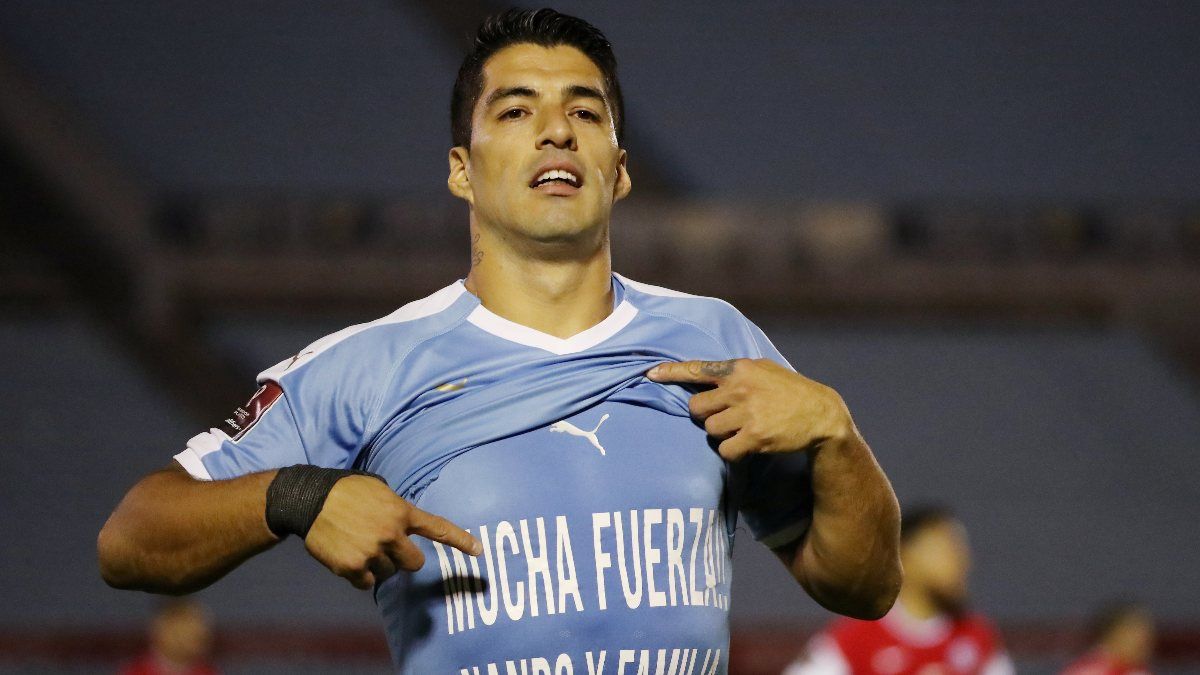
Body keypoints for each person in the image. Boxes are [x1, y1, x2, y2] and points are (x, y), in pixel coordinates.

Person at [98, 9, 901, 673]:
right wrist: (296, 497)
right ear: (462, 169)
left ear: (619, 168)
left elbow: (864, 586)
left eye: (585, 111)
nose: (557, 131)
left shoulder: (714, 339)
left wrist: (837, 433)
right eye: (516, 111)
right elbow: (130, 537)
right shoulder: (371, 365)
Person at [783, 506, 1013, 675]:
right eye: (946, 550)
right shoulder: (855, 638)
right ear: (905, 557)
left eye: (961, 551)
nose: (961, 562)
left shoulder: (978, 636)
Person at [120, 599, 219, 675]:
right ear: (160, 630)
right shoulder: (135, 672)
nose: (194, 634)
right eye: (182, 629)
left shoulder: (207, 672)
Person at [1062, 602, 1155, 675]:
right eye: (1135, 633)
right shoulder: (1090, 671)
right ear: (1114, 634)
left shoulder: (1136, 671)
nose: (1144, 641)